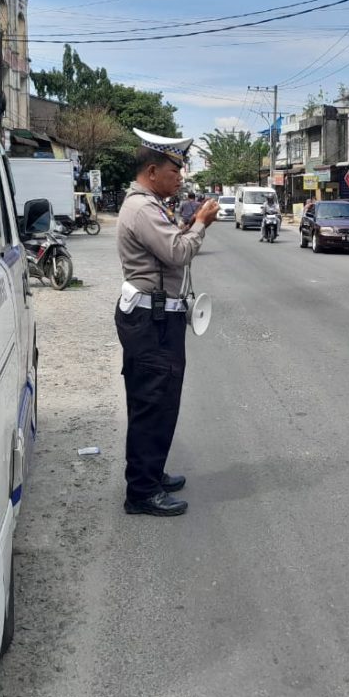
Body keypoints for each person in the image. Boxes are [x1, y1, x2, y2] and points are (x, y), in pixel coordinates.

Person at [115, 129, 219, 517]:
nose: (180, 176)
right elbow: (176, 253)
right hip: (150, 318)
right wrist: (201, 223)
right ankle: (141, 492)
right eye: (176, 169)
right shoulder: (142, 208)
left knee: (160, 401)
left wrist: (191, 222)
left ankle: (151, 474)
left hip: (157, 315)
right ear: (153, 170)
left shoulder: (152, 205)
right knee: (152, 402)